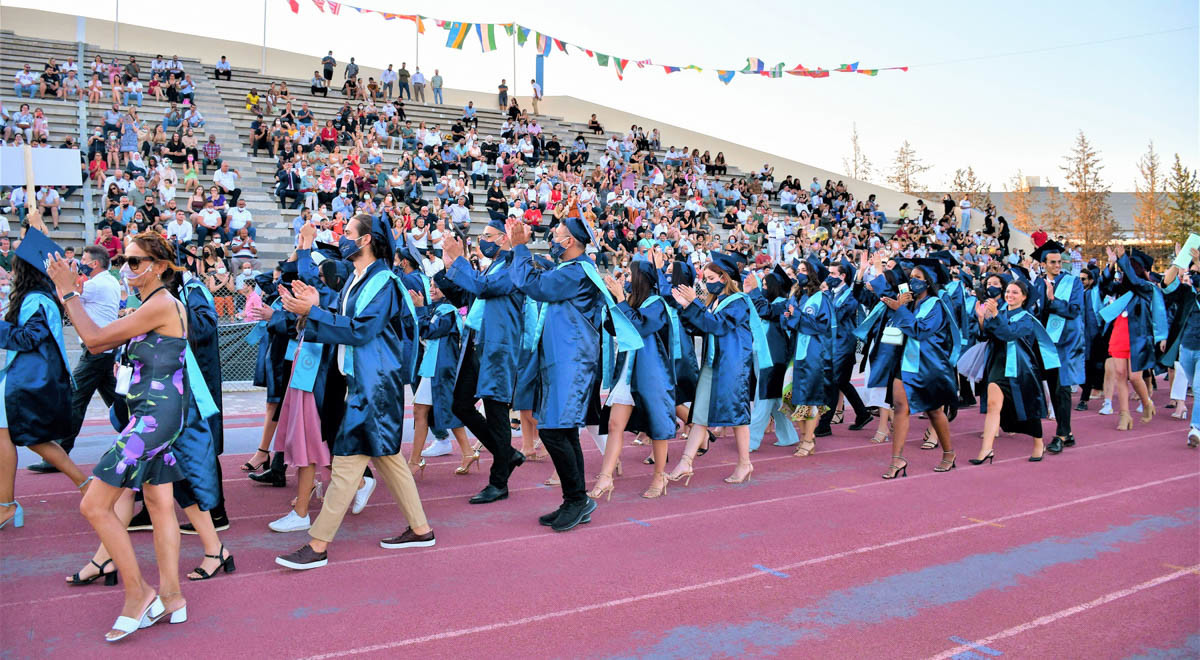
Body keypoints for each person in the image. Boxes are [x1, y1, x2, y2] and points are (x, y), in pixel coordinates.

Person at [48, 230, 220, 640]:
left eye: (137, 262)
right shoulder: (149, 304)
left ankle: (138, 592)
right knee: (160, 503)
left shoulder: (160, 304)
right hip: (150, 414)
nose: (128, 268)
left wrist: (68, 293)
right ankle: (173, 596)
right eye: (125, 260)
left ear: (160, 267)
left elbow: (93, 341)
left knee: (94, 505)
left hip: (154, 418)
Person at [275, 213, 433, 570]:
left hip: (375, 385)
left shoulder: (384, 283)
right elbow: (344, 319)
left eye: (347, 233)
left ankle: (317, 545)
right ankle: (421, 529)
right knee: (389, 461)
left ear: (365, 241)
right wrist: (316, 305)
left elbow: (360, 331)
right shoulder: (359, 280)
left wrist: (314, 312)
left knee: (346, 463)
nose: (340, 237)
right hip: (363, 380)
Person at [508, 215, 641, 530]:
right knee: (563, 430)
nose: (553, 238)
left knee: (555, 430)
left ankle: (576, 500)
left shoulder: (577, 273)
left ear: (570, 242)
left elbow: (533, 285)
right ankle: (575, 499)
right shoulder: (572, 271)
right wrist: (517, 250)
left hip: (571, 362)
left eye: (558, 234)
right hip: (562, 360)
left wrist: (519, 247)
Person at [1, 226, 89, 533]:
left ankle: (8, 505)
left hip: (26, 379)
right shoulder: (40, 297)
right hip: (26, 377)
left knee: (14, 437)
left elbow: (29, 338)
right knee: (27, 439)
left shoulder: (36, 300)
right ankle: (84, 484)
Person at [434, 220, 526, 505]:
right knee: (460, 405)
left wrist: (460, 260)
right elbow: (468, 294)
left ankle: (499, 482)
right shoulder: (492, 266)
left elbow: (483, 288)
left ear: (502, 239)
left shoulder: (514, 266)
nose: (481, 240)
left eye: (487, 236)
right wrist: (449, 266)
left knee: (497, 412)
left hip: (498, 349)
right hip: (477, 345)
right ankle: (506, 454)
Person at [27, 246, 128, 474]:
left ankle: (59, 455)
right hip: (103, 350)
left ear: (94, 264)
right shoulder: (109, 281)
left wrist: (58, 274)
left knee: (75, 400)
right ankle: (139, 439)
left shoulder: (96, 284)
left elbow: (66, 296)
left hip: (96, 351)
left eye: (83, 259)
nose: (79, 262)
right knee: (118, 402)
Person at [666, 252, 763, 486]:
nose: (706, 282)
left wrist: (694, 304)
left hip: (732, 366)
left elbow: (717, 326)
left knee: (738, 416)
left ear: (724, 278)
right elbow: (702, 327)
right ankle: (686, 462)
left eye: (710, 277)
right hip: (713, 363)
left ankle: (744, 463)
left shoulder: (738, 302)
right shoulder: (716, 301)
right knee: (699, 414)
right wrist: (685, 308)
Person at [589, 258, 677, 500]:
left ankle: (660, 475)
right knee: (614, 425)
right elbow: (612, 327)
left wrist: (619, 300)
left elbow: (639, 326)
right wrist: (611, 300)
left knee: (656, 427)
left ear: (641, 279)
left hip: (651, 374)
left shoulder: (657, 304)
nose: (626, 280)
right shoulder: (630, 302)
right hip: (627, 372)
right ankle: (606, 477)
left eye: (629, 276)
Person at [880, 259, 960, 479]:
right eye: (911, 277)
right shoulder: (910, 302)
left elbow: (920, 330)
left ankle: (948, 453)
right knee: (900, 407)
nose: (912, 281)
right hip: (905, 362)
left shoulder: (936, 305)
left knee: (934, 411)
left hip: (928, 364)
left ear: (929, 281)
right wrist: (899, 306)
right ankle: (897, 459)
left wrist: (900, 310)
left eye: (918, 278)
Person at [971, 277, 1060, 464]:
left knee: (1030, 409)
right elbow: (985, 335)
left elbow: (1009, 334)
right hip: (998, 364)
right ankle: (986, 449)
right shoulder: (1000, 312)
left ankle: (1038, 443)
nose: (1010, 295)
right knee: (993, 406)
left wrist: (995, 317)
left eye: (1015, 292)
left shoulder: (1027, 319)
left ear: (1024, 297)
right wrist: (981, 318)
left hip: (1021, 368)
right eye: (1008, 291)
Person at [1097, 246, 1162, 430]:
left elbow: (1134, 279)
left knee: (1134, 377)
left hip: (1138, 337)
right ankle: (1124, 414)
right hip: (1119, 332)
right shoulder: (1122, 289)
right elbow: (1104, 286)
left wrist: (1123, 258)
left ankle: (1147, 403)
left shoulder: (1147, 288)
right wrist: (1111, 265)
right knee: (1120, 374)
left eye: (1130, 267)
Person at [1031, 240, 1085, 453]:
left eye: (1059, 261)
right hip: (1045, 342)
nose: (1057, 265)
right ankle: (1067, 432)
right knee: (1053, 387)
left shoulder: (1073, 283)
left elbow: (1074, 310)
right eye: (1052, 262)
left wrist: (1053, 300)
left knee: (1062, 388)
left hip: (1065, 342)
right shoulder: (1037, 283)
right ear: (1043, 264)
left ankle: (1061, 434)